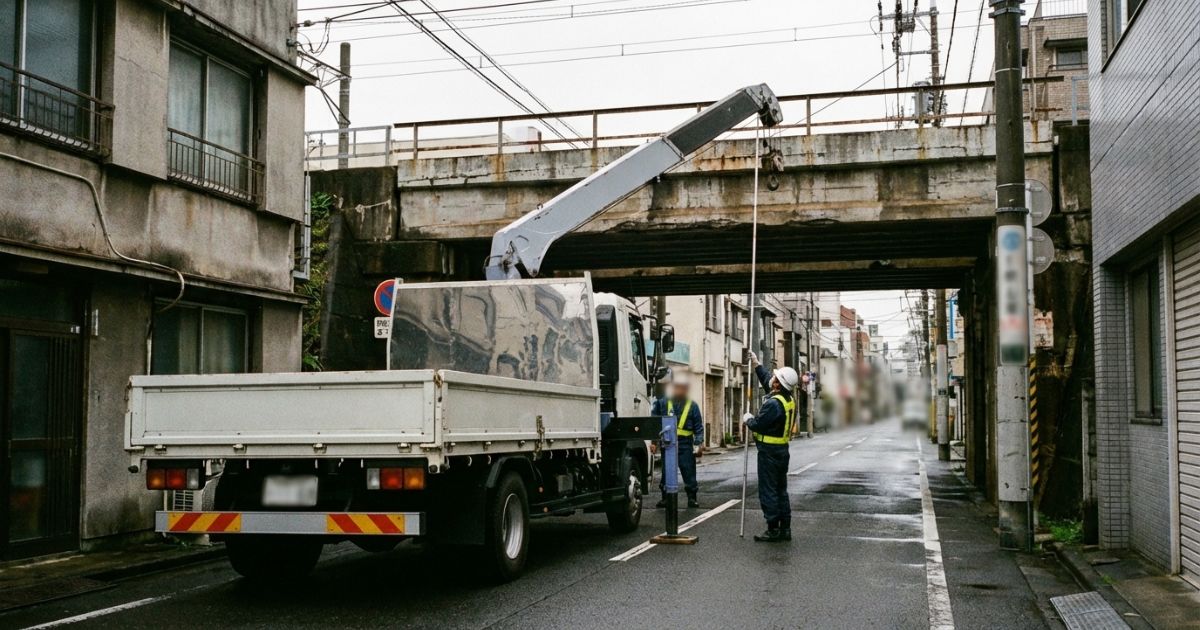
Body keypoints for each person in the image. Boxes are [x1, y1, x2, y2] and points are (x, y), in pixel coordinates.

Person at [742, 353, 799, 542]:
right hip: (782, 452)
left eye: (775, 377)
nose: (772, 378)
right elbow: (767, 380)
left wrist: (748, 419)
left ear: (778, 385)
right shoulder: (787, 400)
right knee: (781, 490)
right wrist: (756, 364)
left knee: (769, 491)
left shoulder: (773, 404)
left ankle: (773, 528)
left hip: (768, 453)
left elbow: (758, 424)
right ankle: (785, 528)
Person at [653, 372, 704, 509]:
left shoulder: (692, 405)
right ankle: (665, 497)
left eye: (682, 387)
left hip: (685, 444)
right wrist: (653, 442)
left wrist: (698, 444)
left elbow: (698, 427)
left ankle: (692, 498)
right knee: (666, 472)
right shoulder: (662, 402)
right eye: (677, 387)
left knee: (689, 471)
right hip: (667, 443)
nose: (679, 390)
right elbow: (654, 422)